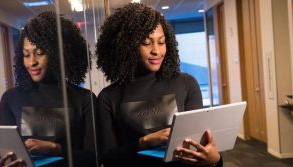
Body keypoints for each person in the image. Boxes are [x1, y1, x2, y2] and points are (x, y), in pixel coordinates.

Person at [95, 3, 222, 167]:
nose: (156, 51)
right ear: (127, 46)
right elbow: (109, 158)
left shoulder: (186, 83)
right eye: (147, 43)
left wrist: (214, 161)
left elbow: (200, 147)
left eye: (161, 42)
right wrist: (144, 142)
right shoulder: (109, 97)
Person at [0, 11, 97, 167]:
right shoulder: (10, 99)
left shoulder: (84, 99)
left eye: (39, 53)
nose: (32, 62)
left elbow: (93, 158)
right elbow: (8, 154)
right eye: (26, 54)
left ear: (58, 54)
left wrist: (55, 149)